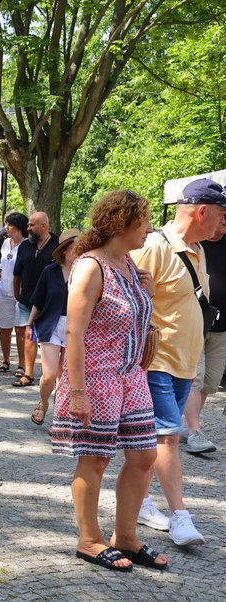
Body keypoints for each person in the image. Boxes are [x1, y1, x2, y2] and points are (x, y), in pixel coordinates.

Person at [51, 189, 166, 572]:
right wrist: (78, 392)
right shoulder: (90, 267)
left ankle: (126, 536)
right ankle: (89, 539)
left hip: (131, 375)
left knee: (144, 455)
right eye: (145, 220)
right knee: (96, 458)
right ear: (123, 223)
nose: (149, 228)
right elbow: (74, 333)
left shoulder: (129, 265)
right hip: (96, 377)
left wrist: (146, 292)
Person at [129, 178, 226, 546]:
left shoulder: (197, 249)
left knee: (154, 439)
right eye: (221, 215)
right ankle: (180, 516)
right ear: (202, 211)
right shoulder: (155, 245)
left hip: (185, 362)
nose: (223, 223)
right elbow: (122, 291)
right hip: (157, 362)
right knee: (168, 436)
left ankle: (140, 501)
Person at [181, 218, 226, 454]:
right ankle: (193, 431)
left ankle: (190, 426)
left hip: (223, 328)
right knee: (194, 378)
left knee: (210, 381)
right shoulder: (195, 244)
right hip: (197, 322)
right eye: (221, 217)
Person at [27, 229, 80, 425]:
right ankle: (43, 402)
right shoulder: (49, 272)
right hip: (51, 324)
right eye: (75, 248)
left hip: (75, 328)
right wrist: (29, 324)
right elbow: (38, 301)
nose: (79, 253)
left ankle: (59, 419)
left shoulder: (85, 273)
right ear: (64, 251)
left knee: (65, 377)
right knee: (49, 375)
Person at [12, 212, 58, 387]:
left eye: (32, 225)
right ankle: (29, 373)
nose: (28, 228)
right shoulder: (25, 246)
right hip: (27, 299)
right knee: (28, 334)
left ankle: (51, 375)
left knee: (51, 339)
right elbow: (17, 273)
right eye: (28, 225)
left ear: (44, 226)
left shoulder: (57, 245)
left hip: (50, 301)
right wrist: (17, 294)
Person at [0, 213, 28, 374]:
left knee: (20, 329)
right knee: (4, 327)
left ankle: (22, 364)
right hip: (4, 290)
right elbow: (0, 264)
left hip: (21, 292)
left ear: (18, 226)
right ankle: (5, 359)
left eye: (9, 225)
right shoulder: (5, 242)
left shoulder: (28, 244)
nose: (6, 228)